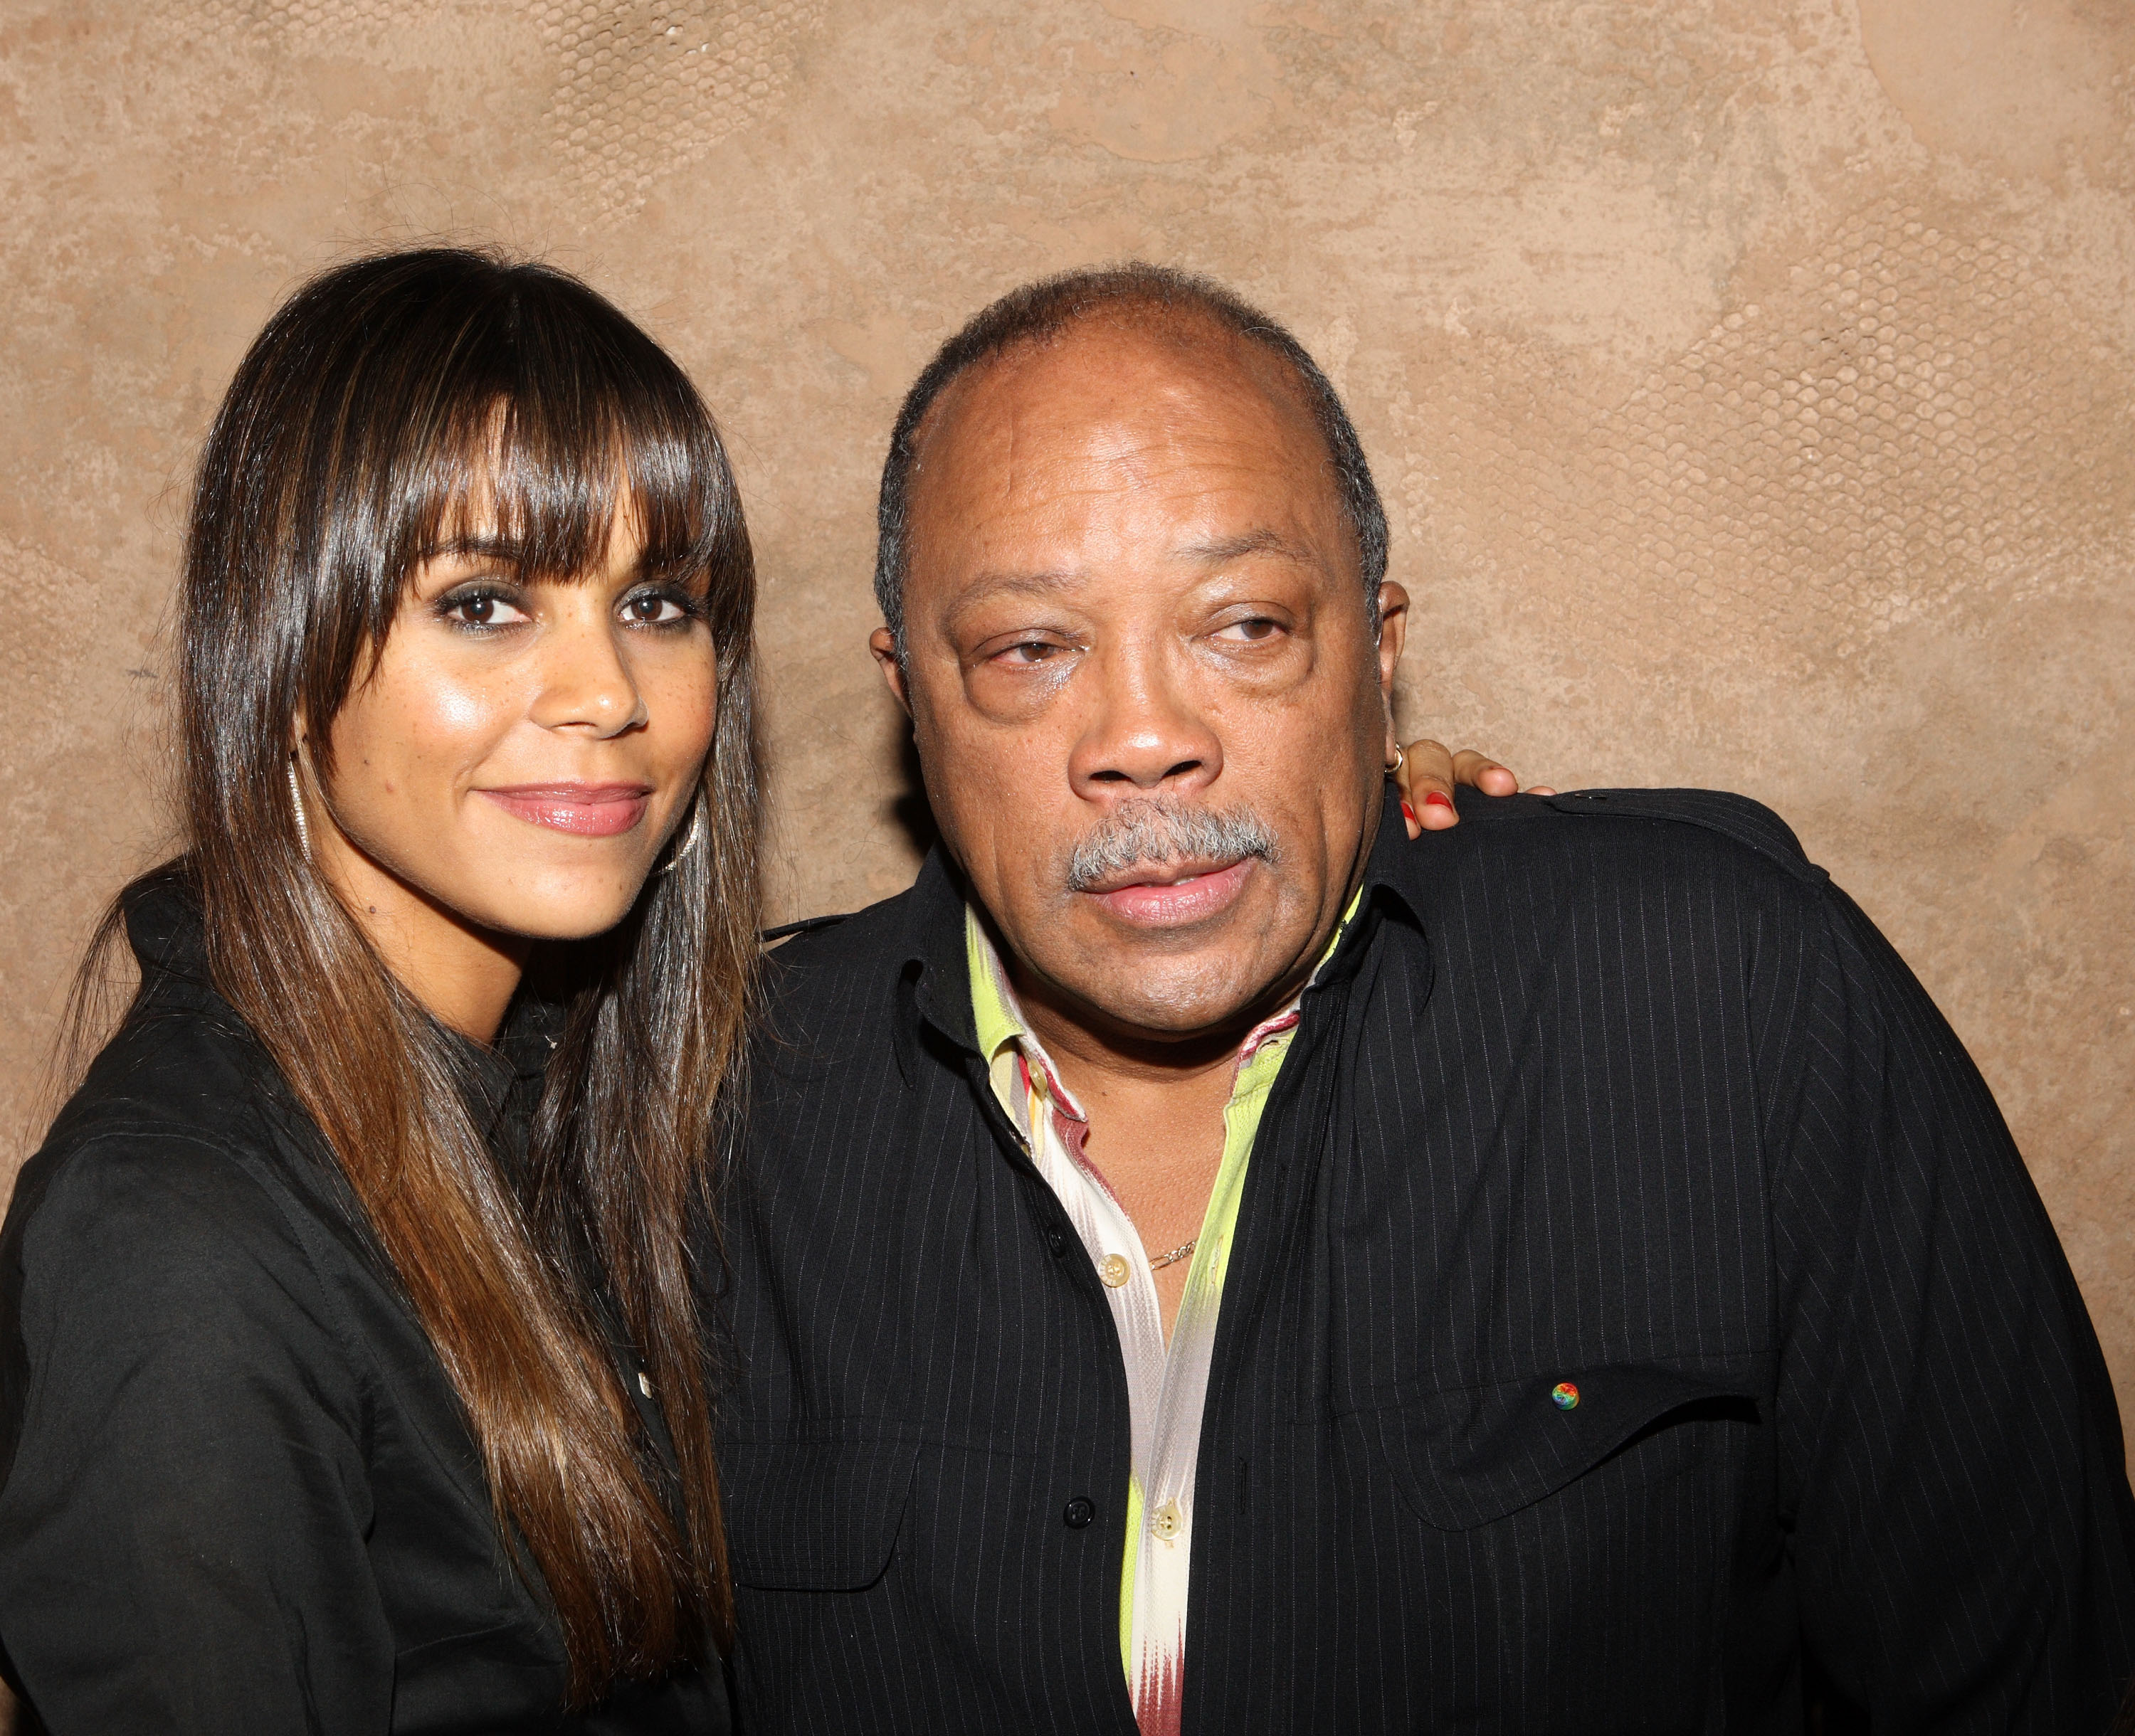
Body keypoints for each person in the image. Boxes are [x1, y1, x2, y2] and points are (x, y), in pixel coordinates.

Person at [715, 264, 2135, 1732]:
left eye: (1246, 626)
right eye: (1029, 647)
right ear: (910, 694)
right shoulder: (722, 1121)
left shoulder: (1731, 1007)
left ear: (1379, 654)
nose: (1144, 736)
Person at [0, 248, 761, 1732]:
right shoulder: (182, 1239)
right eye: (484, 603)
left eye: (658, 600)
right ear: (279, 654)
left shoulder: (548, 1094)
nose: (606, 690)